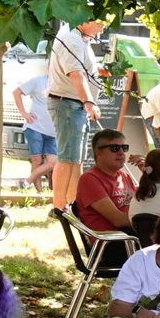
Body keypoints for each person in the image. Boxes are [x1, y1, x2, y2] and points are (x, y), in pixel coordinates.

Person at [47, 18, 108, 212]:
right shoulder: (72, 39)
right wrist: (89, 102)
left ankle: (75, 204)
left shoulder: (80, 37)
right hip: (67, 104)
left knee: (76, 159)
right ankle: (58, 207)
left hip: (74, 104)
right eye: (100, 23)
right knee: (67, 158)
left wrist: (97, 71)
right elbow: (75, 74)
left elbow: (81, 68)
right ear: (86, 19)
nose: (103, 27)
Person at [74, 128, 139, 240]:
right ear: (98, 153)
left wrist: (151, 175)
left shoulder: (124, 176)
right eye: (114, 148)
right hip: (113, 242)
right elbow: (118, 220)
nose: (121, 153)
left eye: (124, 148)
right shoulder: (90, 180)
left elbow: (145, 201)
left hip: (131, 235)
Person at [13, 73, 58, 193]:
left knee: (53, 162)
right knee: (37, 160)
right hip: (35, 127)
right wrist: (23, 112)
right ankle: (39, 192)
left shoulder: (64, 82)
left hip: (53, 131)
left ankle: (26, 182)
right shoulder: (38, 80)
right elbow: (16, 92)